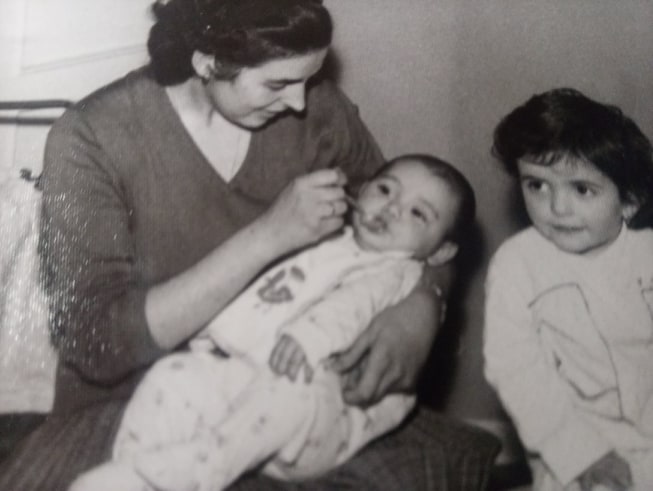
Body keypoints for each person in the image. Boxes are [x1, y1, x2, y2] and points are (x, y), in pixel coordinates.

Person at [0, 1, 499, 490]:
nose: (300, 103)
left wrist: (422, 308)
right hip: (132, 397)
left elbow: (424, 231)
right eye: (278, 85)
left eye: (310, 78)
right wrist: (268, 237)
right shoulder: (94, 138)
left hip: (293, 380)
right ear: (207, 62)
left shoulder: (319, 109)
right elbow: (97, 345)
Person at [69, 154, 476, 491]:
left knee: (288, 392)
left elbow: (354, 304)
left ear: (441, 252)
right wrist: (217, 333)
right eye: (385, 190)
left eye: (418, 213)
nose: (392, 208)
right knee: (173, 376)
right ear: (363, 189)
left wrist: (312, 336)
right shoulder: (332, 239)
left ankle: (200, 472)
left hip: (320, 418)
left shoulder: (399, 271)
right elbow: (273, 289)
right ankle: (132, 471)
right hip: (252, 380)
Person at [484, 88, 653, 491]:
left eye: (581, 189)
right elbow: (516, 369)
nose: (557, 208)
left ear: (629, 201)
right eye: (537, 185)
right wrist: (582, 454)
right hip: (575, 439)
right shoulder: (517, 265)